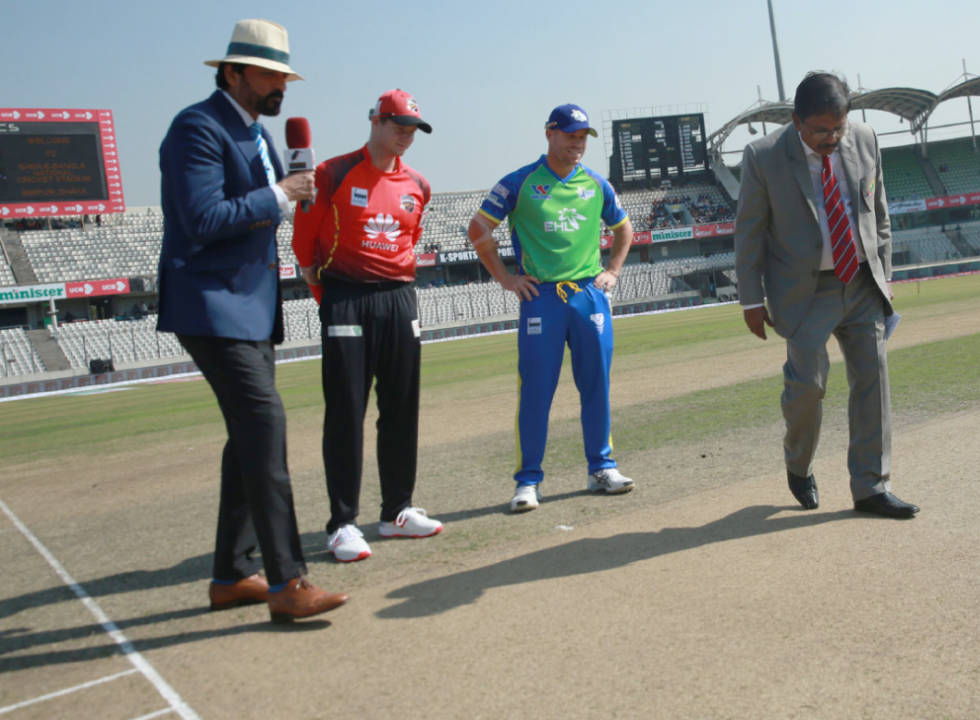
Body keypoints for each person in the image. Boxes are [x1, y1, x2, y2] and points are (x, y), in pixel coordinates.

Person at [156, 18, 348, 622]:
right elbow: (203, 219)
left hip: (251, 307)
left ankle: (231, 574)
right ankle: (288, 582)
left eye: (284, 75)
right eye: (267, 74)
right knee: (265, 427)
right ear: (231, 72)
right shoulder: (196, 128)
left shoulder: (262, 138)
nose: (279, 86)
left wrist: (291, 199)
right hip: (209, 305)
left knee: (248, 437)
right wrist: (281, 196)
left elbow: (260, 216)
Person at [734, 71, 919, 519]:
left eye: (838, 127)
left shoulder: (865, 139)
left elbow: (880, 214)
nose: (831, 138)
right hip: (804, 291)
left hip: (861, 282)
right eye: (820, 130)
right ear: (797, 121)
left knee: (872, 382)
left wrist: (884, 276)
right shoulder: (764, 156)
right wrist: (751, 300)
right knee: (807, 389)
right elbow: (749, 233)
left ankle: (871, 487)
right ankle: (798, 464)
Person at [292, 89, 442, 562]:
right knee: (346, 413)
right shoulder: (333, 173)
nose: (404, 135)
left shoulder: (419, 184)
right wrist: (331, 298)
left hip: (400, 297)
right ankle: (341, 525)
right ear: (375, 120)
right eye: (397, 124)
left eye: (412, 129)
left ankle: (397, 512)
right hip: (346, 298)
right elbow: (305, 243)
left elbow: (409, 240)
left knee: (401, 408)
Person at [466, 104, 635, 513]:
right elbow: (478, 228)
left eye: (583, 137)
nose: (577, 144)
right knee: (537, 392)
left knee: (596, 385)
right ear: (550, 134)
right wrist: (507, 279)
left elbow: (624, 228)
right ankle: (528, 482)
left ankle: (602, 468)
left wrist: (612, 270)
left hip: (588, 295)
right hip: (540, 297)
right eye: (570, 135)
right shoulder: (520, 182)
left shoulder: (596, 185)